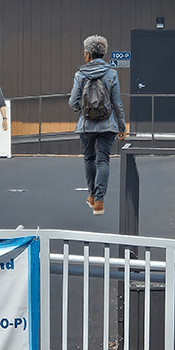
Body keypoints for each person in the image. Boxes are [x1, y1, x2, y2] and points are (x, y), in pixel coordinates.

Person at [69, 35, 126, 215]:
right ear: (103, 53)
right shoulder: (112, 74)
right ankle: (99, 201)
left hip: (86, 125)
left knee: (89, 158)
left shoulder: (80, 74)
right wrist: (122, 126)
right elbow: (117, 103)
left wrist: (85, 109)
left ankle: (91, 195)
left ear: (87, 55)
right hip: (108, 125)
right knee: (103, 160)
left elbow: (72, 103)